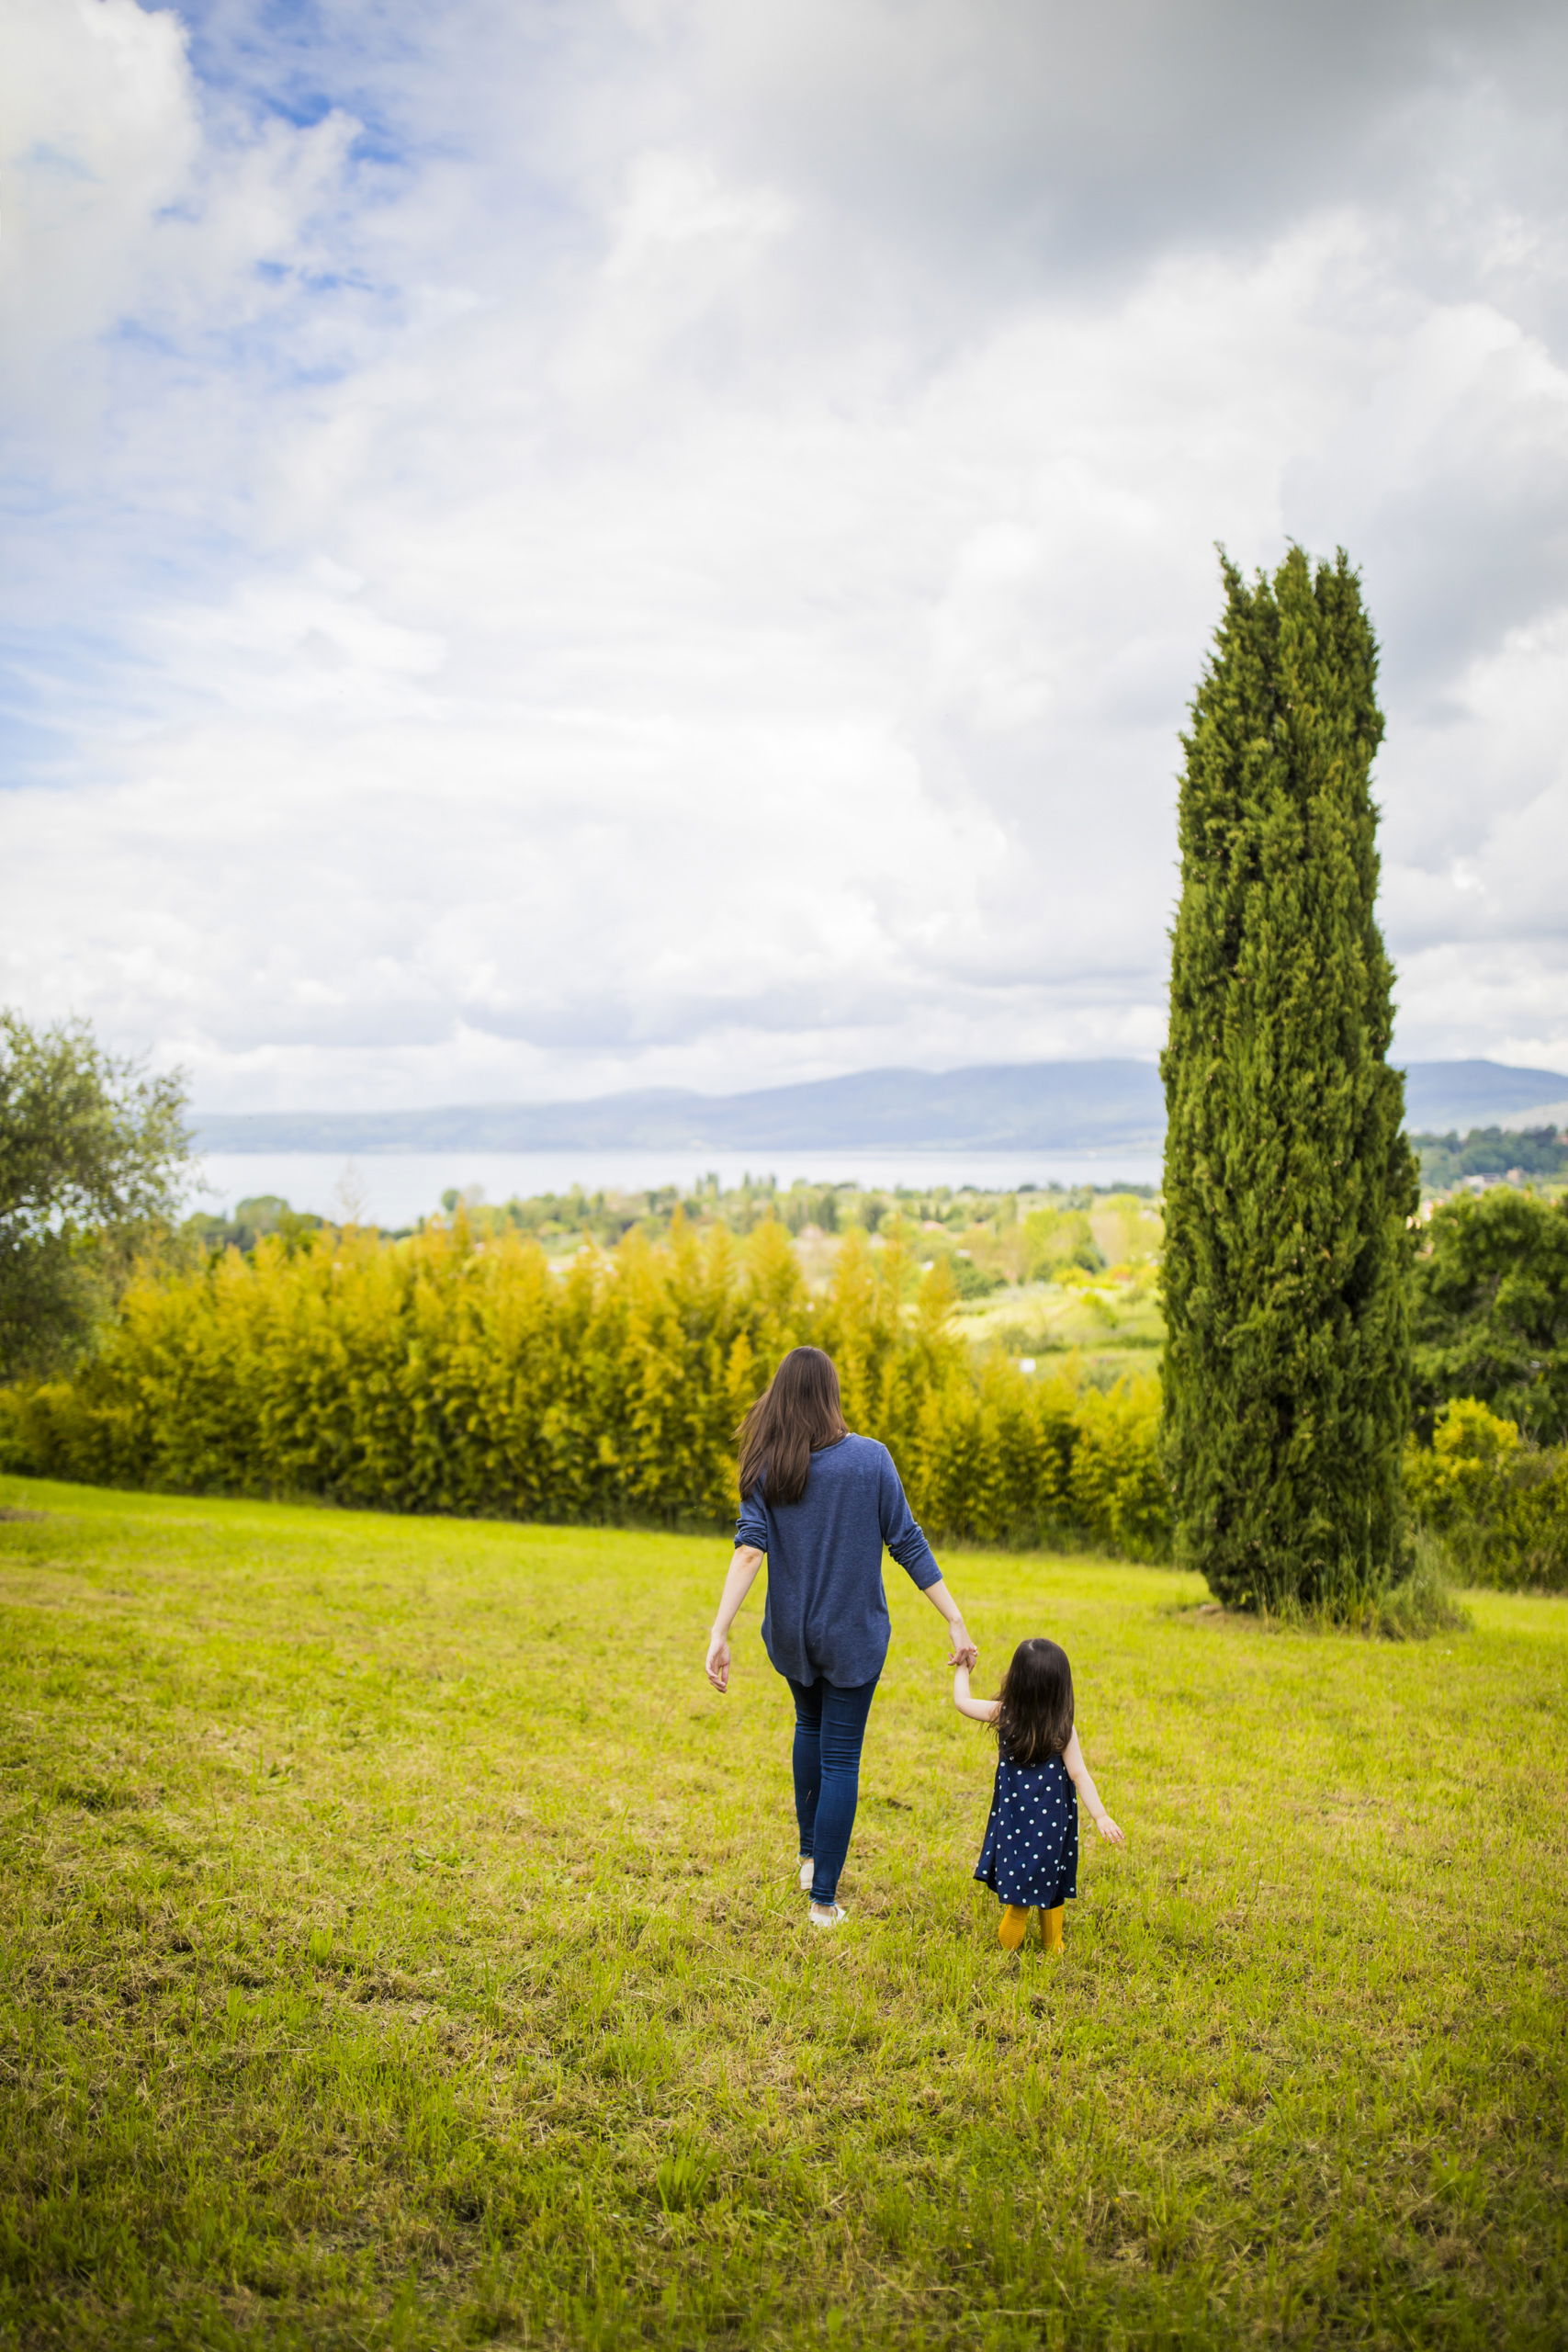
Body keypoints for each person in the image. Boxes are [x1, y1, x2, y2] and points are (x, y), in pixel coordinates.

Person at [705, 1345, 976, 1928]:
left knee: (808, 1725)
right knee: (840, 1758)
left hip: (792, 1636)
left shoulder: (763, 1462)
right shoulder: (871, 1460)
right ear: (831, 1396)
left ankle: (809, 1858)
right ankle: (823, 1901)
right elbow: (906, 1541)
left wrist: (719, 1630)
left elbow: (750, 1549)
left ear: (782, 1397)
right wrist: (953, 1616)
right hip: (853, 1639)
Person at [954, 1635, 1124, 1952]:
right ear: (1060, 1687)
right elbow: (1079, 1774)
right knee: (1052, 1877)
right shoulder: (1063, 1726)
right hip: (1053, 1821)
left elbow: (962, 1703)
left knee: (1021, 1877)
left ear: (1016, 1680)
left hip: (1014, 1818)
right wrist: (1100, 1815)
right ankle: (1052, 1944)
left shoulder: (1004, 1714)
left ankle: (1010, 1946)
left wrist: (963, 1668)